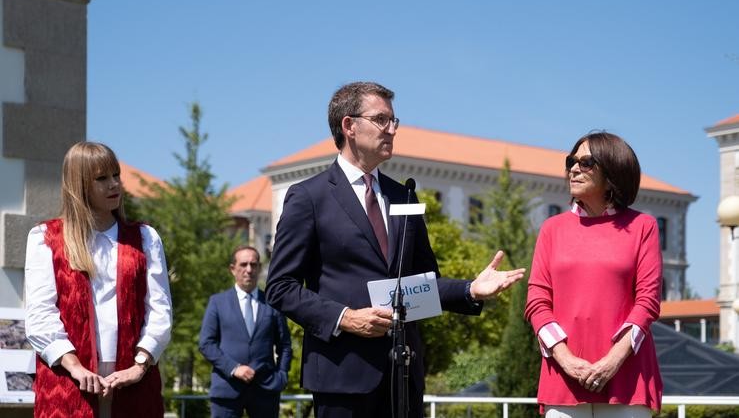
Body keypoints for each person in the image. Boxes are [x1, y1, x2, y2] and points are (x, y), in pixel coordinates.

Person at [265, 81, 526, 418]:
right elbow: (280, 287)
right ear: (349, 126)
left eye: (394, 121)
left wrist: (469, 289)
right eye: (381, 120)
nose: (392, 130)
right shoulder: (309, 197)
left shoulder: (404, 196)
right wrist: (345, 318)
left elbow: (422, 281)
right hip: (343, 375)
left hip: (403, 374)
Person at [24, 141, 172, 418]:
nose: (114, 184)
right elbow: (40, 313)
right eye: (102, 178)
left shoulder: (145, 238)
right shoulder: (46, 238)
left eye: (116, 175)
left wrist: (139, 365)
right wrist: (74, 366)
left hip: (134, 379)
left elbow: (160, 309)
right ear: (79, 185)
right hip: (68, 379)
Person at [524, 132, 663, 417]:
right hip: (563, 378)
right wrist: (566, 360)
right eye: (571, 161)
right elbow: (537, 301)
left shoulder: (643, 226)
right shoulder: (552, 229)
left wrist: (612, 361)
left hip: (627, 377)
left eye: (585, 162)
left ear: (612, 172)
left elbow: (648, 302)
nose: (573, 168)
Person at [199, 246, 292, 418]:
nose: (249, 270)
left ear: (260, 268)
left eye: (253, 265)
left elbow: (285, 345)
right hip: (227, 388)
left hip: (266, 390)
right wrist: (233, 368)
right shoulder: (217, 303)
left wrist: (282, 375)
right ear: (233, 269)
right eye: (243, 264)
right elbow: (206, 344)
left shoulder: (272, 304)